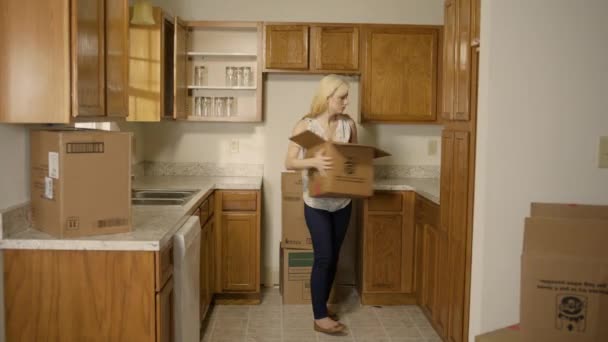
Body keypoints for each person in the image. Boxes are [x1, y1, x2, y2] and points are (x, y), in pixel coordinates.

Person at [284, 74, 357, 335]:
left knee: (334, 256)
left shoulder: (348, 125)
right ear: (327, 97)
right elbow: (290, 162)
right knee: (323, 256)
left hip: (342, 202)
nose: (347, 102)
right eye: (342, 97)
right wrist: (313, 162)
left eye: (347, 97)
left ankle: (323, 308)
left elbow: (353, 160)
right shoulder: (306, 126)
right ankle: (319, 317)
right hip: (315, 201)